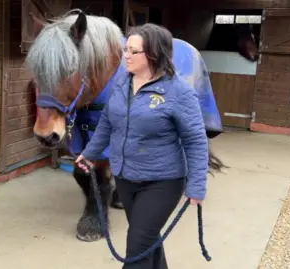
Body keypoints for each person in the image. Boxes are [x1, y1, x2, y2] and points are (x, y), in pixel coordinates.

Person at [75, 23, 209, 269]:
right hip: (126, 178)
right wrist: (90, 154)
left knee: (137, 247)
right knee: (147, 239)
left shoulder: (178, 92)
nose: (125, 55)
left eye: (133, 51)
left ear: (153, 54)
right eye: (126, 49)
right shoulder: (121, 84)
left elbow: (195, 140)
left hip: (162, 181)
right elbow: (107, 122)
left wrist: (197, 185)